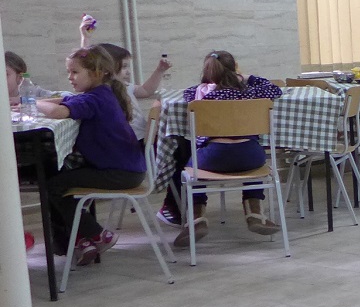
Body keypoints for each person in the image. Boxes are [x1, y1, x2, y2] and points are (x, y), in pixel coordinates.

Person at [32, 45, 146, 267]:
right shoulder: (102, 93)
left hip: (120, 173)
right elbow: (65, 102)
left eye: (75, 72)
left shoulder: (94, 100)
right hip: (127, 168)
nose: (70, 77)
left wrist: (30, 102)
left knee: (53, 185)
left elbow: (58, 111)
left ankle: (96, 235)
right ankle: (83, 241)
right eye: (69, 72)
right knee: (61, 178)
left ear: (96, 72)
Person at [172, 51, 283, 246]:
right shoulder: (252, 94)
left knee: (191, 165)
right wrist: (248, 77)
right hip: (250, 156)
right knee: (253, 168)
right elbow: (275, 89)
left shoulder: (198, 96)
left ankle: (197, 219)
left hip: (214, 157)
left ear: (208, 72)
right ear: (235, 68)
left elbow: (186, 94)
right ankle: (255, 212)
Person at [98, 42, 172, 140]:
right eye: (124, 67)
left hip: (142, 137)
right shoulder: (102, 93)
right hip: (132, 141)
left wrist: (160, 70)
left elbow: (146, 90)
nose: (128, 72)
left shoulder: (125, 86)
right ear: (107, 68)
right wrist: (85, 38)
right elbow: (88, 62)